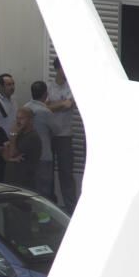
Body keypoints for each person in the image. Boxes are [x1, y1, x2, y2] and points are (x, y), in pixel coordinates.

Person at [47, 57, 78, 212]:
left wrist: (53, 106)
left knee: (66, 173)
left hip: (65, 135)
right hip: (49, 135)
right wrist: (60, 104)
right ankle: (50, 208)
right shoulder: (48, 87)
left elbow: (69, 104)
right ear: (58, 69)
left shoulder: (72, 87)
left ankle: (71, 209)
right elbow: (45, 108)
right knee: (48, 173)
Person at [23, 81, 56, 200]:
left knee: (30, 189)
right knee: (44, 190)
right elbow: (56, 130)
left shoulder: (25, 108)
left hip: (27, 155)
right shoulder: (46, 112)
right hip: (44, 154)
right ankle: (44, 217)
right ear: (45, 94)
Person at [4, 107, 42, 190]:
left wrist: (13, 136)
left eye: (21, 118)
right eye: (17, 118)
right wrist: (10, 158)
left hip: (24, 183)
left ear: (30, 120)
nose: (18, 121)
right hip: (12, 181)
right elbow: (5, 154)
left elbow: (12, 153)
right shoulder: (19, 134)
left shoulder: (32, 137)